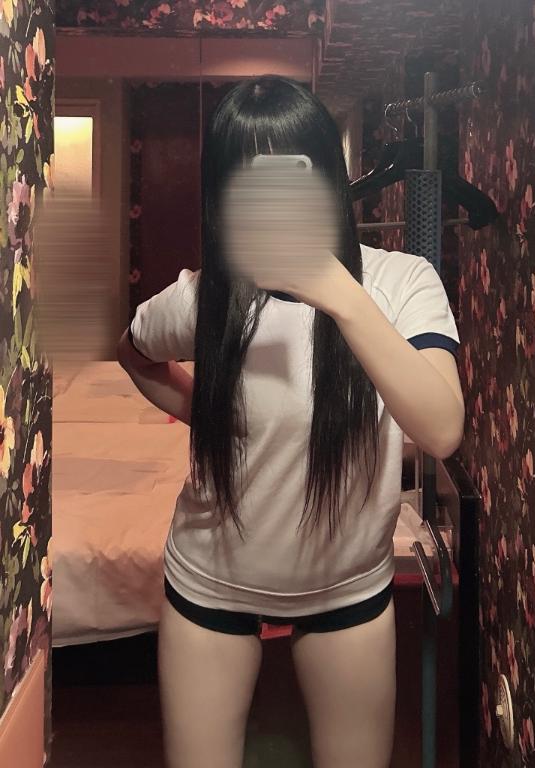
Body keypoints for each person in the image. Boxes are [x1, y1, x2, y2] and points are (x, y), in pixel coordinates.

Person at [116, 75, 465, 768]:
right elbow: (134, 353)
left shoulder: (401, 281)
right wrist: (209, 415)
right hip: (210, 582)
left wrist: (340, 292)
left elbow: (440, 430)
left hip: (348, 588)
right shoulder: (204, 297)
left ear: (326, 177)